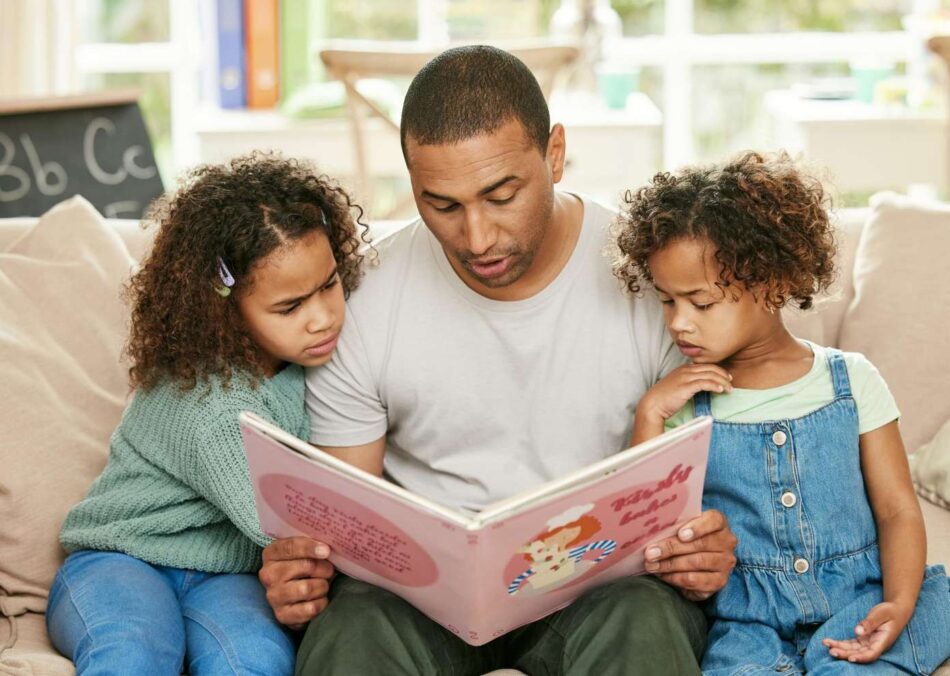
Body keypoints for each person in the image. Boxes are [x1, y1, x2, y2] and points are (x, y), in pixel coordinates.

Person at [258, 45, 737, 675]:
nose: (476, 238)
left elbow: (722, 483)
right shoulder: (361, 299)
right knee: (353, 626)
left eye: (501, 195)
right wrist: (304, 570)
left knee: (642, 620)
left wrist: (705, 549)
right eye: (443, 205)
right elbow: (352, 524)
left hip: (603, 593)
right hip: (419, 602)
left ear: (555, 154)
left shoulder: (652, 278)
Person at [615, 151, 950, 674]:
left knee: (854, 666)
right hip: (749, 623)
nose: (678, 324)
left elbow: (898, 509)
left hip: (865, 595)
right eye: (667, 302)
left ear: (773, 283)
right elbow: (649, 522)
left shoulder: (850, 381)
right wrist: (650, 413)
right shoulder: (681, 404)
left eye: (701, 303)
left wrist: (899, 602)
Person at [47, 154, 368, 675]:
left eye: (329, 285)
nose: (323, 317)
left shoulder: (313, 363)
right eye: (290, 307)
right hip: (121, 561)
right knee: (134, 651)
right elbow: (285, 520)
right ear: (224, 307)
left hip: (224, 578)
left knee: (254, 660)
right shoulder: (207, 402)